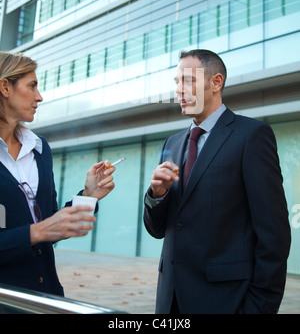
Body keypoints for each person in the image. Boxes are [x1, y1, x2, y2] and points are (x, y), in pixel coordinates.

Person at [144, 49, 291, 314]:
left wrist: (258, 309)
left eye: (188, 80)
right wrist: (157, 194)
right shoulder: (173, 142)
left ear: (216, 82)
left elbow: (274, 237)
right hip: (169, 301)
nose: (179, 90)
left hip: (225, 301)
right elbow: (158, 229)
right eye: (176, 82)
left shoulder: (252, 136)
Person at [0, 51, 116, 296]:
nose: (39, 97)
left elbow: (50, 225)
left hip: (47, 298)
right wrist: (38, 231)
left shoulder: (39, 149)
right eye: (32, 86)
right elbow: (42, 230)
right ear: (5, 87)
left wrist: (88, 195)